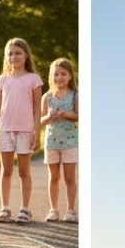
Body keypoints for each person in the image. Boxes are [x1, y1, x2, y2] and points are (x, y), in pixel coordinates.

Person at [0, 38, 43, 223]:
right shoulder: (3, 79)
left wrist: (37, 133)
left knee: (23, 171)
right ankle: (5, 208)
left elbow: (37, 108)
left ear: (26, 55)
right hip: (5, 130)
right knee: (6, 170)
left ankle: (25, 209)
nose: (14, 57)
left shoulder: (33, 79)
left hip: (25, 131)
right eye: (10, 53)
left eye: (18, 53)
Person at [40, 58, 78, 223]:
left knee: (69, 177)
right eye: (56, 74)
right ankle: (53, 209)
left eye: (63, 74)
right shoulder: (47, 96)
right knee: (53, 176)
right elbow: (40, 120)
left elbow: (79, 116)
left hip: (70, 142)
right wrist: (49, 116)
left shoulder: (75, 95)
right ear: (51, 76)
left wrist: (66, 114)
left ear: (70, 76)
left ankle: (70, 210)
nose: (59, 78)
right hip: (52, 141)